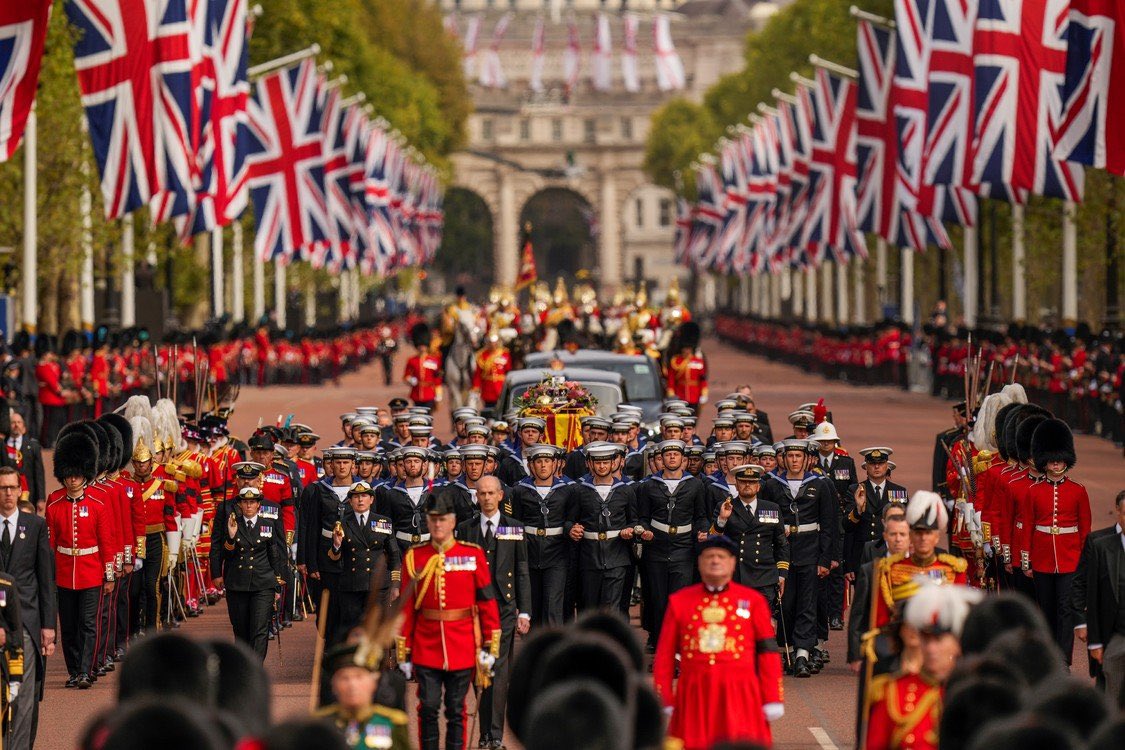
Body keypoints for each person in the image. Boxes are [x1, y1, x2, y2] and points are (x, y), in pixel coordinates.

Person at [652, 534, 783, 749]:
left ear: (732, 563)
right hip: (695, 695)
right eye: (709, 556)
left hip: (740, 694)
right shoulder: (679, 601)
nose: (715, 561)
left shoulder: (754, 601)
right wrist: (663, 695)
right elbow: (665, 654)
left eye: (721, 556)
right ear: (699, 563)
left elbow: (768, 653)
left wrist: (772, 696)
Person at [397, 489, 500, 750]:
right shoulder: (414, 556)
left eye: (442, 519)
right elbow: (407, 609)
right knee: (428, 707)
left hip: (462, 643)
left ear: (453, 521)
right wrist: (403, 652)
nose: (438, 524)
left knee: (457, 709)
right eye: (433, 519)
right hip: (426, 645)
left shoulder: (473, 554)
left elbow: (487, 602)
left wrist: (490, 645)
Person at [455, 475, 531, 750]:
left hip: (505, 609)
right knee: (480, 669)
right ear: (476, 497)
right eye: (481, 493)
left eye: (491, 493)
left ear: (501, 495)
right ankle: (484, 732)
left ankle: (495, 735)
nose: (486, 498)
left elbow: (522, 569)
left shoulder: (515, 528)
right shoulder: (466, 529)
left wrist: (526, 612)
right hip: (473, 610)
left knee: (498, 670)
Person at [864, 581, 982, 750]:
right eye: (926, 639)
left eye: (939, 640)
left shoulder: (978, 694)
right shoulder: (891, 692)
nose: (930, 648)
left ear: (957, 643)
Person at [759, 439, 837, 678]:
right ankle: (789, 650)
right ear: (783, 458)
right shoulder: (772, 485)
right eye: (790, 456)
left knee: (808, 603)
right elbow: (765, 518)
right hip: (782, 552)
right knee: (786, 603)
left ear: (806, 459)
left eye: (798, 456)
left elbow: (829, 525)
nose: (794, 460)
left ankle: (803, 652)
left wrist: (826, 559)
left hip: (810, 550)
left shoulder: (821, 485)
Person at [44, 431, 116, 689]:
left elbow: (106, 542)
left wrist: (109, 575)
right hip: (64, 573)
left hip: (91, 572)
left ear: (84, 474)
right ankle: (74, 670)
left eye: (76, 474)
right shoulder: (54, 505)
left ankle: (85, 670)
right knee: (70, 627)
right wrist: (48, 577)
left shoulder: (97, 504)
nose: (72, 479)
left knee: (88, 624)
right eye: (69, 475)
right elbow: (50, 546)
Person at [1016, 417, 1090, 664]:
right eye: (1051, 458)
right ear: (1043, 459)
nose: (1056, 463)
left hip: (1070, 560)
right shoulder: (1033, 491)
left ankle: (1063, 660)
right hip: (1042, 558)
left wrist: (1084, 562)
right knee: (1046, 611)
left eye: (1060, 458)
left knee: (1066, 611)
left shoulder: (1078, 491)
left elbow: (1084, 529)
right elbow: (1027, 527)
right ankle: (1048, 658)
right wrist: (1026, 561)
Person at [635, 440, 710, 645]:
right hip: (656, 548)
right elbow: (642, 517)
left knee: (680, 601)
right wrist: (646, 530)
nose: (672, 458)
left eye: (676, 455)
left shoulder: (695, 484)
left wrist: (703, 532)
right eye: (667, 455)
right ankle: (662, 647)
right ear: (661, 459)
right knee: (658, 602)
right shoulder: (648, 485)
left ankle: (679, 649)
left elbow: (701, 515)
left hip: (683, 548)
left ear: (684, 460)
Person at [0, 465, 54, 749]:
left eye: (12, 487)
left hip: (25, 626)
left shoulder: (35, 526)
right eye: (2, 488)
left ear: (20, 491)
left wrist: (48, 628)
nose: (7, 493)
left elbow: (46, 579)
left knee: (22, 695)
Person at [211, 487, 287, 660]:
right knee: (241, 630)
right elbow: (226, 554)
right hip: (238, 583)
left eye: (252, 502)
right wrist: (230, 537)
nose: (249, 505)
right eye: (245, 502)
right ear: (240, 504)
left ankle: (255, 669)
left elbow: (274, 554)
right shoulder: (232, 524)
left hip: (263, 583)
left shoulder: (267, 525)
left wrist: (278, 581)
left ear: (259, 504)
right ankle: (244, 666)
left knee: (259, 629)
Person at [567, 442, 640, 613]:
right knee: (589, 607)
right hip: (589, 557)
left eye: (605, 462)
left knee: (612, 608)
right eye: (598, 462)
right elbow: (569, 520)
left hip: (617, 556)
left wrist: (630, 529)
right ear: (590, 463)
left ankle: (610, 639)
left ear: (614, 463)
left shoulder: (626, 491)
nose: (602, 466)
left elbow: (633, 520)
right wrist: (571, 529)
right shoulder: (579, 490)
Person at [327, 482, 400, 645]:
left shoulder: (383, 522)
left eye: (364, 496)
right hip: (352, 585)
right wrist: (337, 544)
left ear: (371, 499)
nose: (360, 500)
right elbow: (333, 557)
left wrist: (395, 584)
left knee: (377, 627)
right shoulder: (342, 523)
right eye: (355, 497)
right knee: (352, 629)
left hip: (378, 585)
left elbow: (394, 555)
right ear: (350, 501)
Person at [508, 443, 573, 627]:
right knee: (532, 604)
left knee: (553, 604)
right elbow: (516, 521)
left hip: (557, 553)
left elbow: (570, 519)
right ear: (531, 465)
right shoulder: (519, 490)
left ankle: (554, 650)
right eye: (538, 462)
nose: (543, 465)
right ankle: (535, 650)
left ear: (555, 464)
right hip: (529, 551)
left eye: (547, 461)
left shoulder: (567, 490)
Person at [713, 463, 789, 612]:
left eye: (752, 482)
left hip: (765, 575)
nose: (747, 485)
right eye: (743, 481)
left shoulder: (772, 508)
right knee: (739, 624)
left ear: (759, 486)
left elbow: (781, 543)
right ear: (736, 484)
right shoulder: (726, 507)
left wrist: (782, 574)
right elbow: (714, 543)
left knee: (762, 624)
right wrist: (722, 519)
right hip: (737, 577)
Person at [316, 643, 411, 750]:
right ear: (333, 685)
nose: (352, 685)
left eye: (359, 677)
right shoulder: (319, 725)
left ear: (373, 683)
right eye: (344, 678)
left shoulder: (393, 722)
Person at [1082, 489, 1125, 706]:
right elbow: (1093, 596)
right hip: (1115, 637)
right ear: (1119, 513)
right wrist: (1095, 642)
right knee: (1112, 698)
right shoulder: (1101, 546)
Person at [7, 410, 46, 512]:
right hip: (7, 493)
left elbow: (39, 473)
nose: (16, 425)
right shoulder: (2, 446)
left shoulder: (33, 446)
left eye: (19, 422)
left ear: (24, 427)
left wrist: (41, 498)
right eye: (13, 422)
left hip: (29, 493)